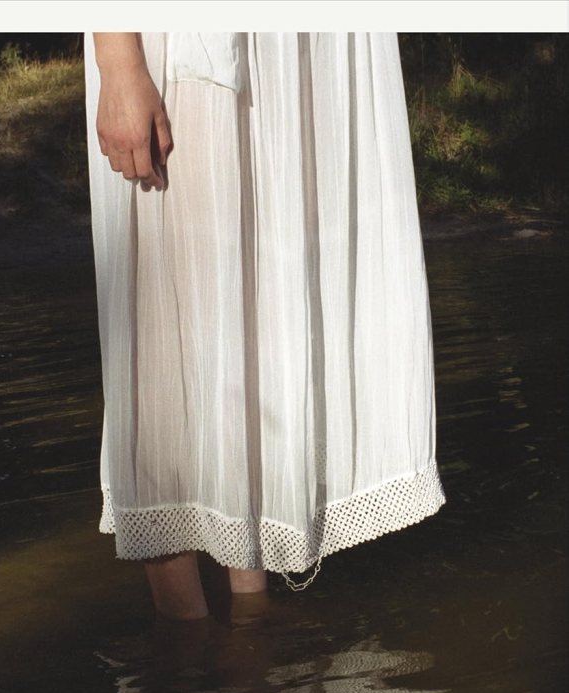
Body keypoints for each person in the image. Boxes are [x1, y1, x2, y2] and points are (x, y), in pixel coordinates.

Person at [84, 32, 445, 621]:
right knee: (168, 328)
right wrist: (118, 61)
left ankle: (251, 631)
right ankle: (186, 651)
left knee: (257, 315)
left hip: (292, 48)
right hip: (182, 41)